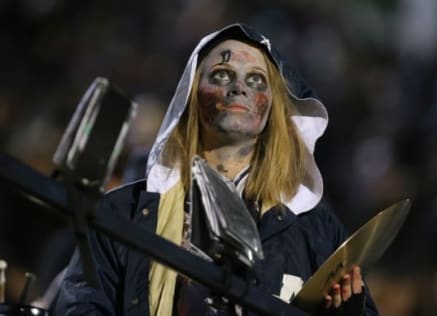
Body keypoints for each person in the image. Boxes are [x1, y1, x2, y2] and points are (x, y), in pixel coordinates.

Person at [54, 23, 379, 315]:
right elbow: (82, 307)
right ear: (191, 98)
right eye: (222, 74)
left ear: (274, 110)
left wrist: (347, 312)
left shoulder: (316, 228)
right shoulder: (124, 211)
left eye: (255, 79)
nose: (239, 87)